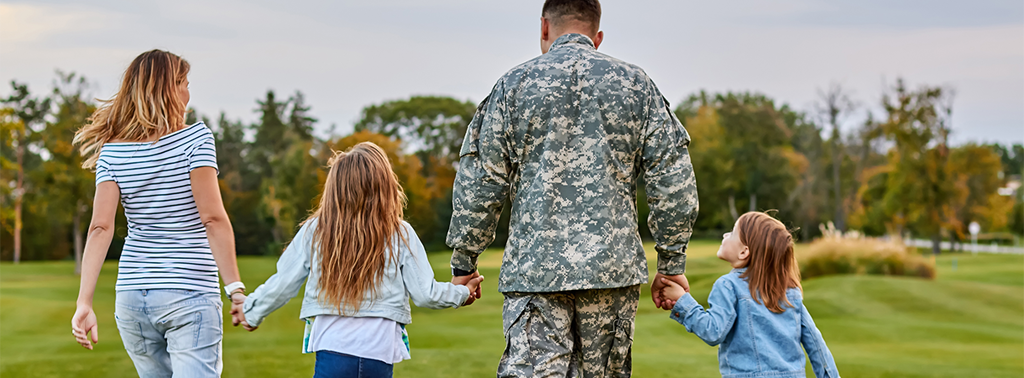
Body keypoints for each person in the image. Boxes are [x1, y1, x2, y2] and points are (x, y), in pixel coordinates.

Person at [446, 0, 699, 376]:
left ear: (544, 29)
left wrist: (464, 262)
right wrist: (671, 262)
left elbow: (481, 182)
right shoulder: (635, 85)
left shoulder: (513, 86)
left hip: (535, 272)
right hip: (611, 273)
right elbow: (672, 179)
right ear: (597, 37)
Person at [236, 142, 485, 378]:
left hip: (331, 352)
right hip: (379, 356)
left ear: (334, 189)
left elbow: (284, 282)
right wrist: (462, 293)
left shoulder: (315, 231)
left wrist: (252, 311)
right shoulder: (401, 234)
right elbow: (426, 294)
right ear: (386, 186)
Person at [70, 49, 247, 378]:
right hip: (189, 292)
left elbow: (100, 229)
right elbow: (213, 219)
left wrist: (84, 303)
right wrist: (235, 287)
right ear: (169, 88)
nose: (187, 92)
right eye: (184, 83)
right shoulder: (196, 139)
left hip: (133, 298)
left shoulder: (113, 152)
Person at [659, 212, 841, 378]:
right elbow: (816, 344)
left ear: (744, 251)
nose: (725, 235)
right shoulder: (789, 292)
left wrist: (682, 300)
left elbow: (713, 331)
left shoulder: (728, 286)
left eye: (731, 232)